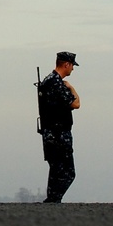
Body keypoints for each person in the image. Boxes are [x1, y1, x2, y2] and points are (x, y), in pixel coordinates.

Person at [36, 51, 80, 202]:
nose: (72, 69)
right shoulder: (56, 83)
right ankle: (54, 200)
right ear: (66, 64)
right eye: (72, 65)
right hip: (59, 133)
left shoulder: (48, 81)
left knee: (56, 169)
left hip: (50, 132)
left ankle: (52, 200)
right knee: (68, 172)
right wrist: (72, 88)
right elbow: (76, 104)